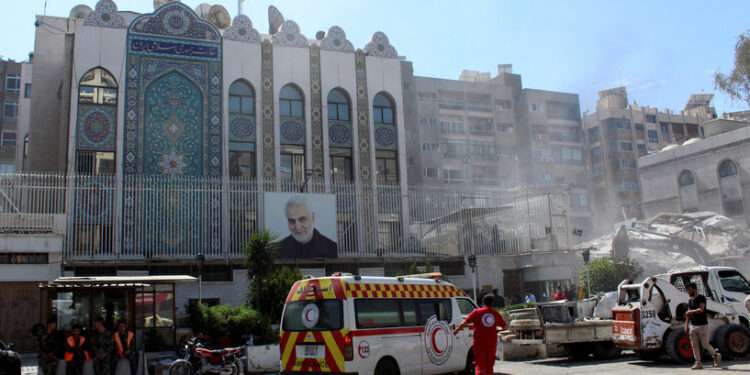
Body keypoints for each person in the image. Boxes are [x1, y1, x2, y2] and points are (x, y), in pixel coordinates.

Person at [453, 294, 506, 375]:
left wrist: (455, 331)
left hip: (479, 344)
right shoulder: (495, 314)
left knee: (480, 364)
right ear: (492, 303)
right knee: (489, 366)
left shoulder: (476, 312)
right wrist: (496, 329)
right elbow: (504, 326)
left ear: (483, 302)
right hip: (491, 344)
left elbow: (464, 323)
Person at [684, 282, 720, 369]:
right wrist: (686, 325)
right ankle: (698, 362)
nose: (688, 292)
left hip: (703, 325)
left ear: (694, 289)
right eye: (687, 290)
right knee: (694, 345)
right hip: (693, 325)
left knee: (705, 344)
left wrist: (690, 311)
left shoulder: (701, 298)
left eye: (689, 290)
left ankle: (715, 355)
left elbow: (701, 309)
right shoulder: (690, 300)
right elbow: (688, 314)